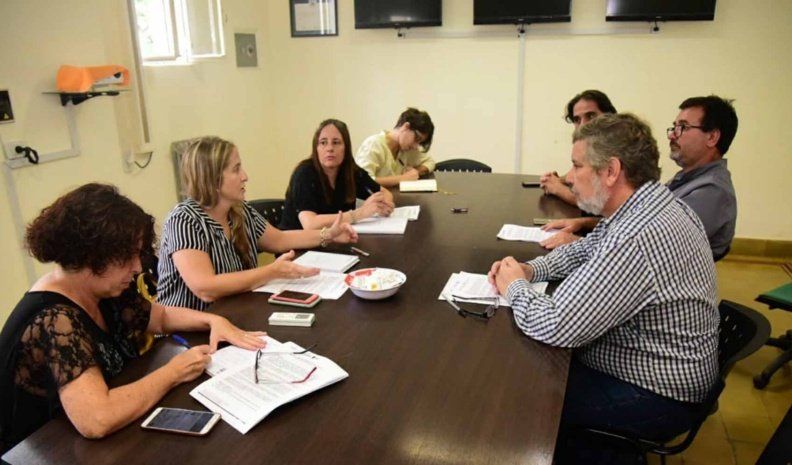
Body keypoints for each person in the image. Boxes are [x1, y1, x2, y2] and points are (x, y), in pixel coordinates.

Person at [489, 114, 718, 464]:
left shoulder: (638, 236)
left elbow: (557, 325)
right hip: (654, 365)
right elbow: (585, 249)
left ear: (611, 171)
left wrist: (514, 287)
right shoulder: (644, 205)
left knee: (522, 396)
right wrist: (532, 269)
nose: (568, 177)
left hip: (657, 394)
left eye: (577, 165)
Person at [0, 183, 266, 453]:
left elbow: (161, 316)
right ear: (91, 256)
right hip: (38, 451)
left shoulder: (103, 287)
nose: (138, 267)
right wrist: (174, 372)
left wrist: (213, 321)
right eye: (127, 257)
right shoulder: (54, 319)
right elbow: (97, 419)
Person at [157, 136, 358, 311]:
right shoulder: (183, 220)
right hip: (187, 332)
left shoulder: (239, 210)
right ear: (213, 179)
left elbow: (280, 239)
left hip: (234, 313)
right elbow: (205, 288)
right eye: (236, 169)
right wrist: (271, 272)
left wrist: (328, 234)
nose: (245, 176)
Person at [541, 95, 737, 260]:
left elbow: (652, 247)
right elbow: (634, 218)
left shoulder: (712, 192)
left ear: (712, 137)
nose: (672, 135)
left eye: (683, 127)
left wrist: (578, 243)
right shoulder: (688, 178)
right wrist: (584, 224)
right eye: (674, 126)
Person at [280, 119, 395, 231]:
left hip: (335, 238)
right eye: (323, 143)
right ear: (316, 148)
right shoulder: (304, 173)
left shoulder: (350, 170)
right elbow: (310, 224)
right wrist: (359, 213)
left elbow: (385, 193)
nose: (330, 148)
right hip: (299, 242)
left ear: (346, 147)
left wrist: (383, 205)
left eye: (336, 142)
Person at [539, 90, 617, 206]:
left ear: (609, 116)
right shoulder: (592, 146)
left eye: (590, 116)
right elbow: (578, 174)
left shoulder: (619, 146)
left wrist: (557, 188)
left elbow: (598, 202)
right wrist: (557, 179)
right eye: (577, 120)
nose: (582, 125)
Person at [354, 107, 436, 187]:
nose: (415, 146)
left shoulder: (406, 149)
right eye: (417, 138)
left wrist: (416, 172)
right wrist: (403, 178)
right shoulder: (374, 144)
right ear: (406, 126)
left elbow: (430, 162)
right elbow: (362, 181)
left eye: (419, 143)